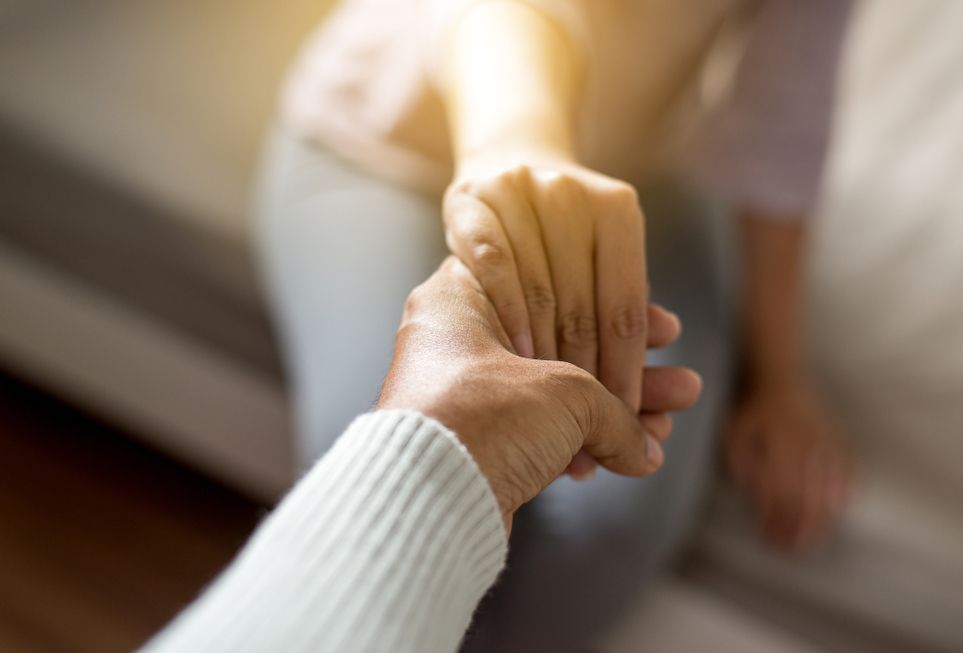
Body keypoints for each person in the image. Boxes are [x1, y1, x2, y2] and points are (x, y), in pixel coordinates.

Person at [257, 0, 854, 649]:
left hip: (631, 176)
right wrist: (518, 146)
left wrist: (780, 377)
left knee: (612, 521)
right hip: (383, 145)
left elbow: (782, 122)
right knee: (391, 491)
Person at [140, 258, 703, 652]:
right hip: (390, 149)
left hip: (660, 184)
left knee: (599, 533)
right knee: (350, 431)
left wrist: (778, 381)